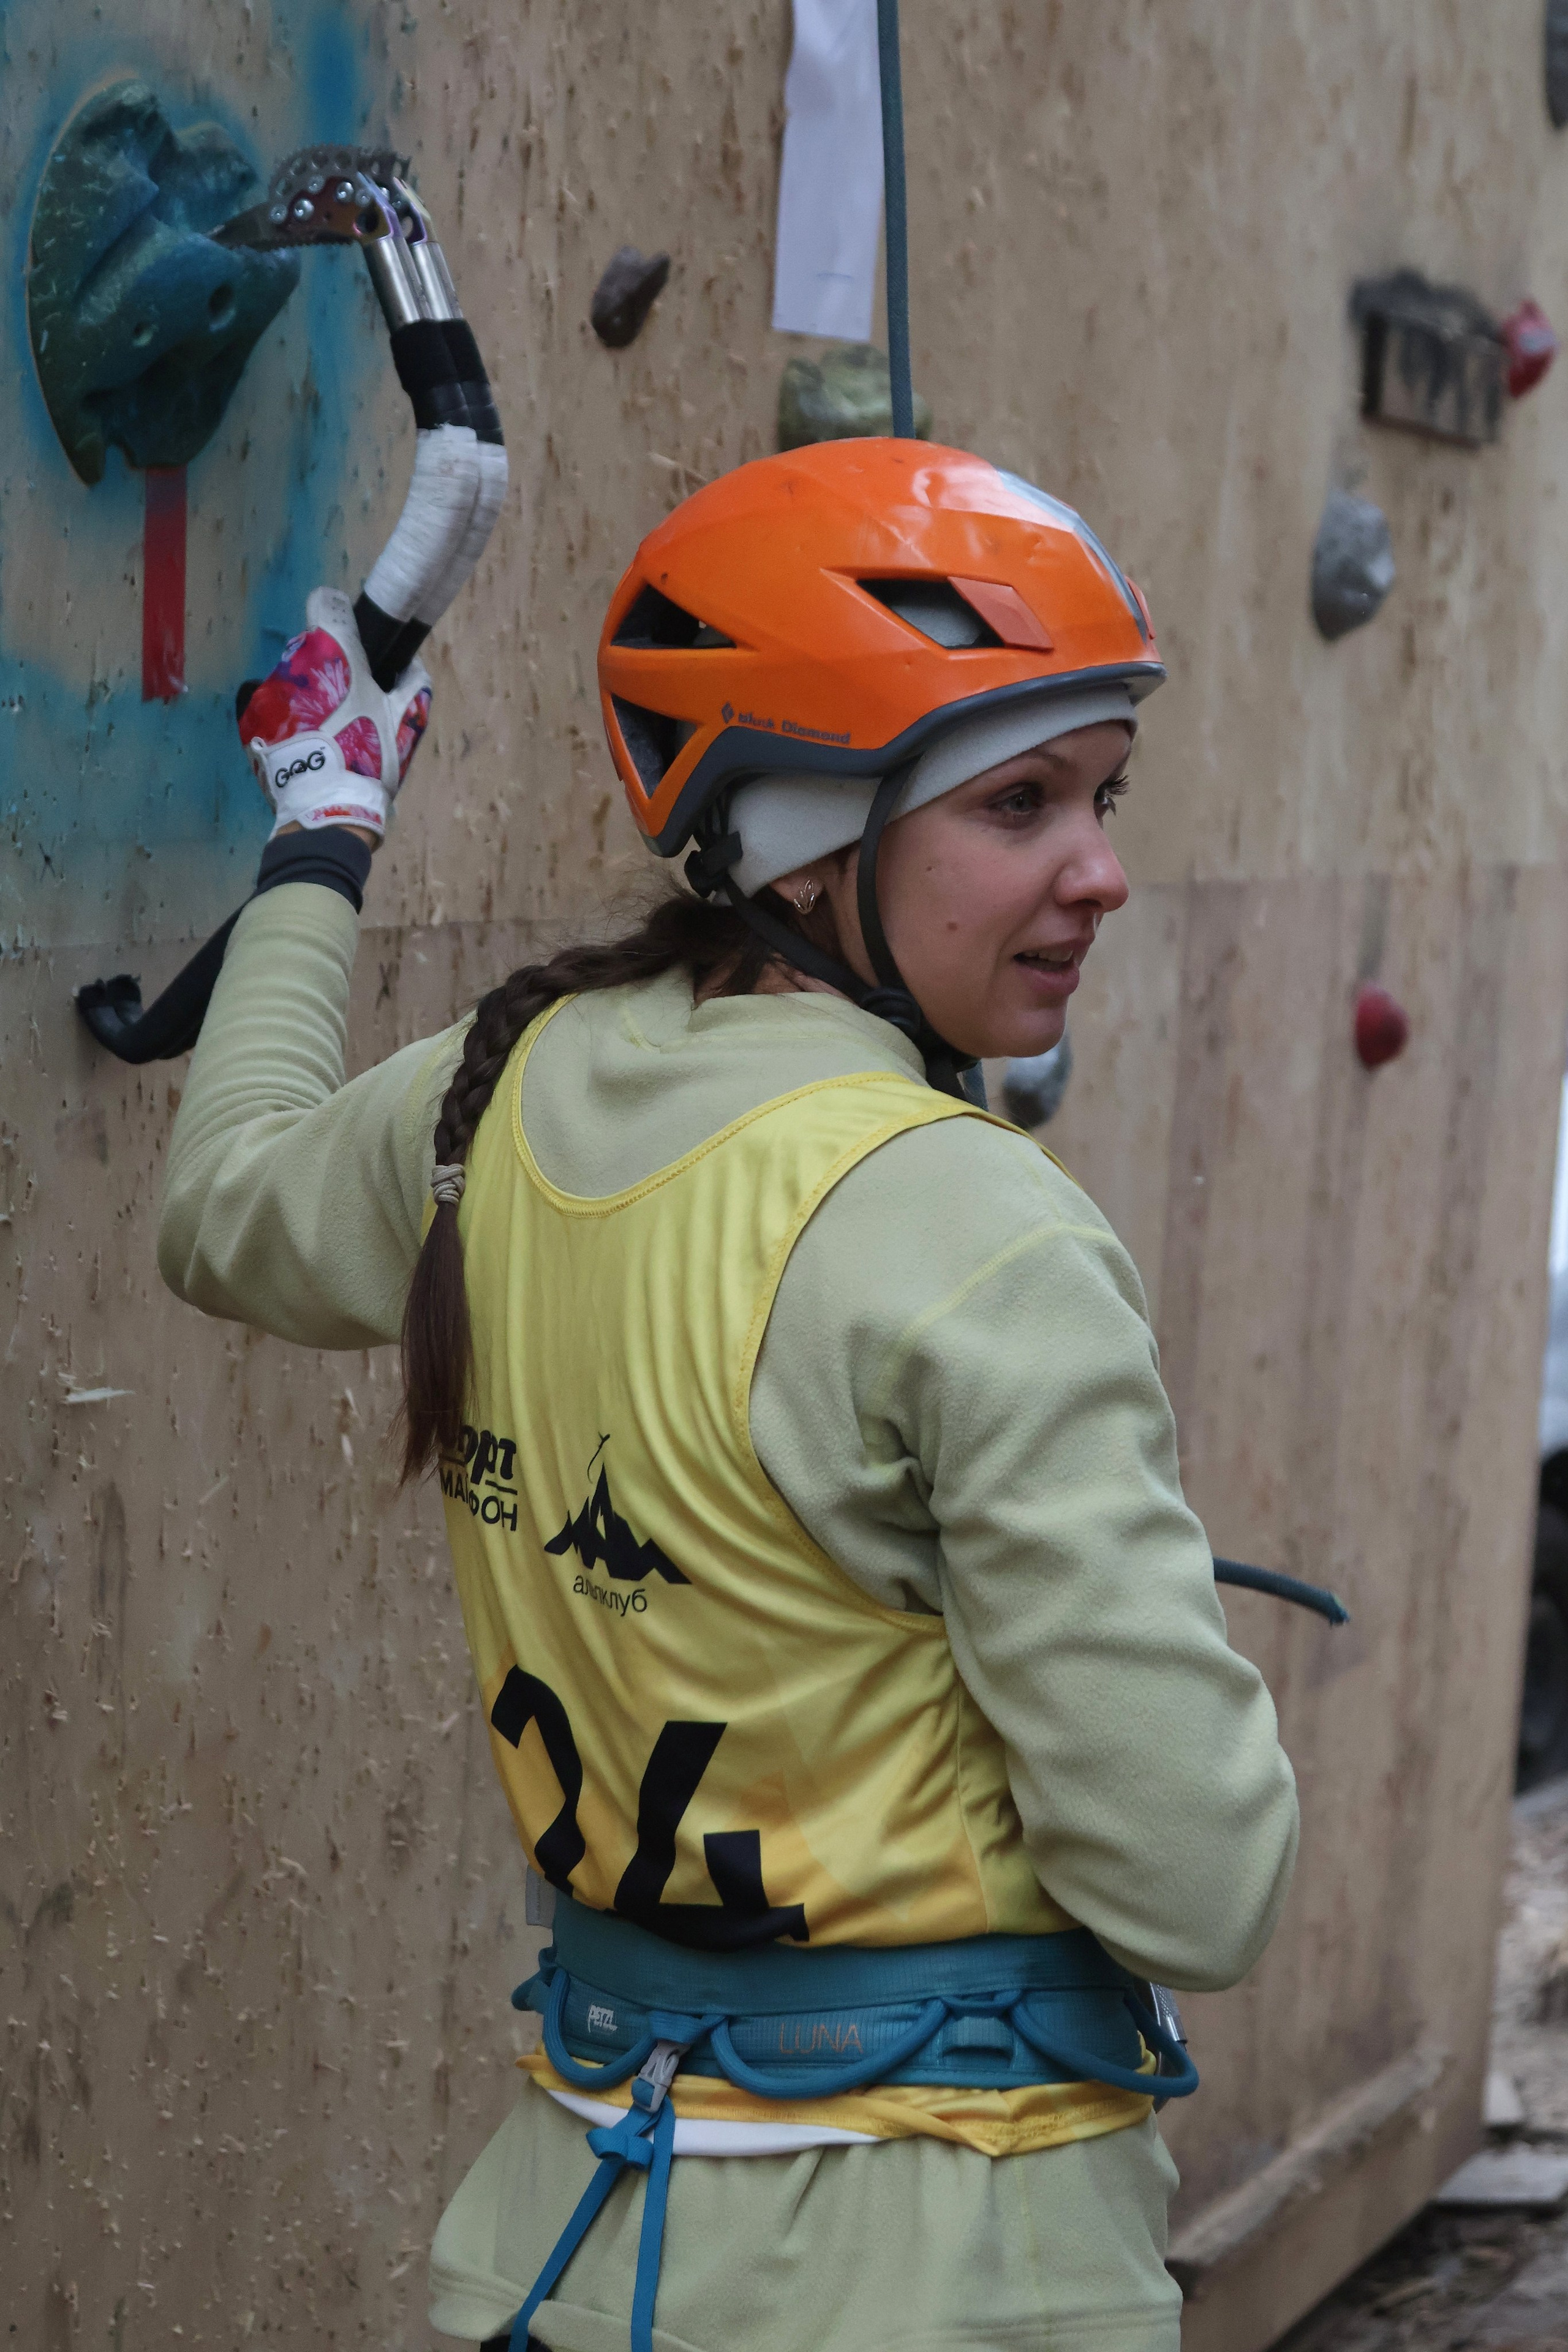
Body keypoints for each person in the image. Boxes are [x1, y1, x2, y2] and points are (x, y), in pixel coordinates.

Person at [160, 439, 1298, 2352]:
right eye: (1019, 802)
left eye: (1103, 794)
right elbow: (1201, 1884)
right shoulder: (974, 1226)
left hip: (589, 2230)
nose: (1098, 869)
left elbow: (218, 1209)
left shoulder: (508, 1088)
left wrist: (323, 841)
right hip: (953, 2259)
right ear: (801, 832)